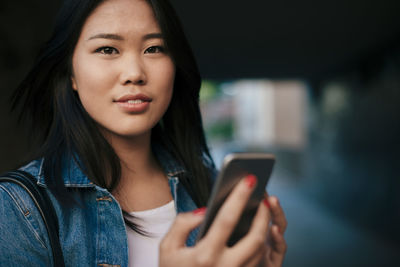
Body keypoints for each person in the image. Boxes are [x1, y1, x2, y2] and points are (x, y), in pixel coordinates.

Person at [0, 0, 287, 266]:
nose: (134, 72)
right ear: (71, 73)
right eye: (108, 49)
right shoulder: (18, 209)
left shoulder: (211, 188)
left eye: (154, 48)